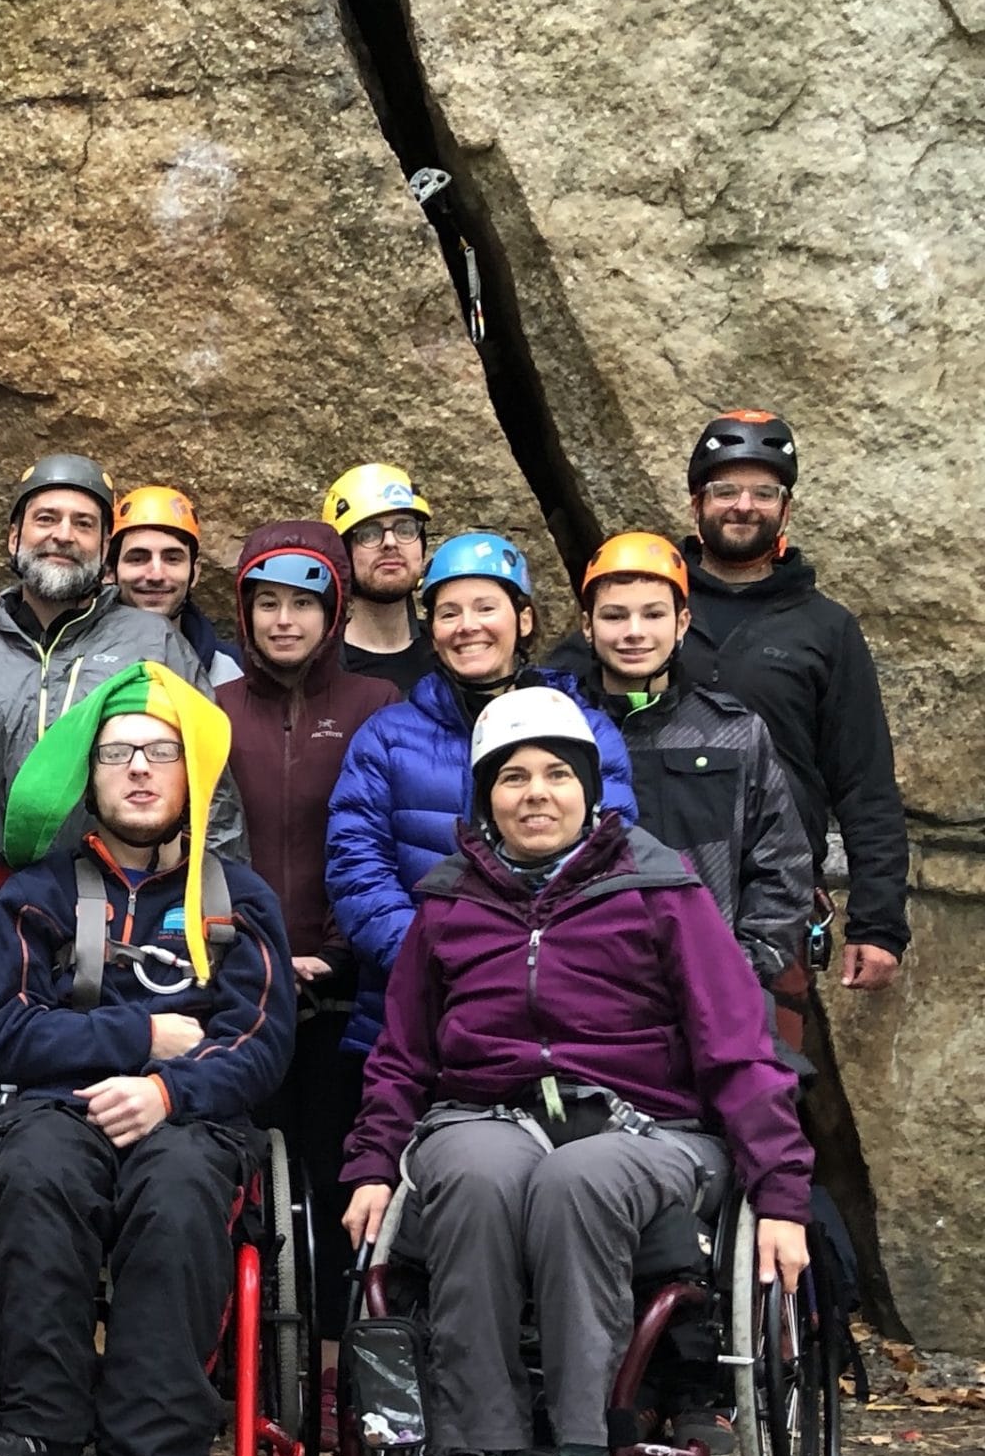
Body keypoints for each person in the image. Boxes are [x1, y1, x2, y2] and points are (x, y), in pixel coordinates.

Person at [338, 688, 815, 1456]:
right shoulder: (447, 901)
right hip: (489, 1113)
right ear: (485, 797)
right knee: (470, 1173)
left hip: (651, 1130)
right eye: (512, 778)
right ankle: (469, 1453)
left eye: (557, 774)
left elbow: (738, 1047)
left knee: (576, 1178)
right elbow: (402, 1055)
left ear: (590, 790)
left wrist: (781, 1193)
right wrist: (373, 1164)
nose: (535, 793)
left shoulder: (661, 888)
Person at [0, 664, 294, 1456]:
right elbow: (2, 1035)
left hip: (189, 1121)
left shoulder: (239, 900)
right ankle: (36, 1438)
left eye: (160, 752)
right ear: (90, 775)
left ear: (193, 773)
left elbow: (261, 1043)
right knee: (37, 1176)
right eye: (119, 754)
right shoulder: (34, 898)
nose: (141, 770)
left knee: (182, 1190)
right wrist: (143, 1037)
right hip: (54, 1113)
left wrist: (167, 1090)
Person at [0, 454, 221, 1021]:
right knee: (11, 1081)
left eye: (84, 523)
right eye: (46, 519)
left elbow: (212, 787)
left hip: (138, 918)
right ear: (15, 536)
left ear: (105, 547)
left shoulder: (153, 643)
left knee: (137, 1079)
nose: (64, 535)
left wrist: (216, 917)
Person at [326, 532, 637, 1055]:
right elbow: (355, 865)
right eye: (449, 613)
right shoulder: (387, 735)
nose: (467, 626)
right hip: (412, 1011)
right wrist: (433, 955)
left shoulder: (587, 733)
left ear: (525, 619)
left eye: (485, 607)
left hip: (557, 1012)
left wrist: (527, 961)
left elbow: (611, 853)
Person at [214, 523, 400, 1358]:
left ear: (336, 613)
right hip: (241, 980)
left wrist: (343, 944)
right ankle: (241, 1345)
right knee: (239, 1166)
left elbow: (390, 836)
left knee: (335, 1167)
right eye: (267, 604)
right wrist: (249, 942)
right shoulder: (215, 713)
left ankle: (330, 1349)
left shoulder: (377, 707)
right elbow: (199, 842)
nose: (283, 621)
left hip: (345, 984)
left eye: (303, 604)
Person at [676, 410, 908, 1009]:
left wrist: (877, 922)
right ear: (696, 504)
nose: (743, 505)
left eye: (764, 491)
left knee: (765, 1086)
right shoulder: (640, 607)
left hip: (775, 903)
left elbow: (865, 783)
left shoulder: (826, 628)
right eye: (725, 490)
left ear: (787, 509)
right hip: (649, 890)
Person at [550, 531, 813, 985]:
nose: (634, 632)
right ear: (588, 626)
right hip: (586, 994)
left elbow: (782, 866)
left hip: (711, 989)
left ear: (682, 622)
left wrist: (742, 969)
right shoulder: (558, 730)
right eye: (615, 615)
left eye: (653, 614)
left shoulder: (734, 732)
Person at [321, 462, 434, 696]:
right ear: (342, 553)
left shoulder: (451, 651)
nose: (390, 543)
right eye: (369, 533)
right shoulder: (319, 668)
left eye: (405, 529)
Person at [112, 486, 242, 687]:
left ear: (195, 572)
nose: (156, 575)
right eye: (138, 558)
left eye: (172, 559)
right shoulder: (77, 663)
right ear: (110, 572)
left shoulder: (233, 672)